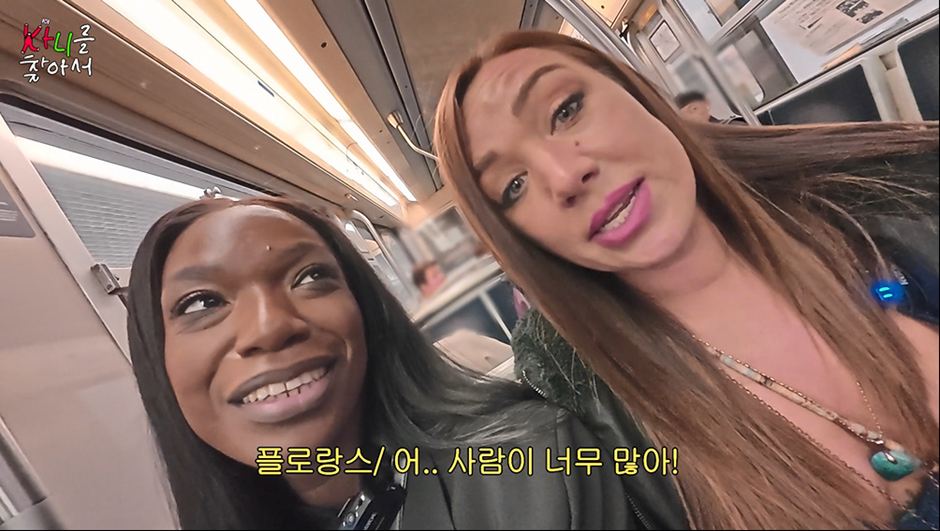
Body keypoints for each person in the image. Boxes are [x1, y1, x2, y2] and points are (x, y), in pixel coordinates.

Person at [433, 29, 939, 530]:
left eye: (566, 110)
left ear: (636, 92)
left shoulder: (883, 202)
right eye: (514, 186)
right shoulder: (598, 433)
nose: (564, 176)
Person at [125, 196, 636, 530]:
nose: (269, 327)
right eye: (202, 303)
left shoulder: (534, 471)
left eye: (309, 277)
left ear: (366, 314)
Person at [674, 90, 746, 125]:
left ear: (706, 103)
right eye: (683, 116)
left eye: (694, 109)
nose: (691, 117)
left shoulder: (733, 125)